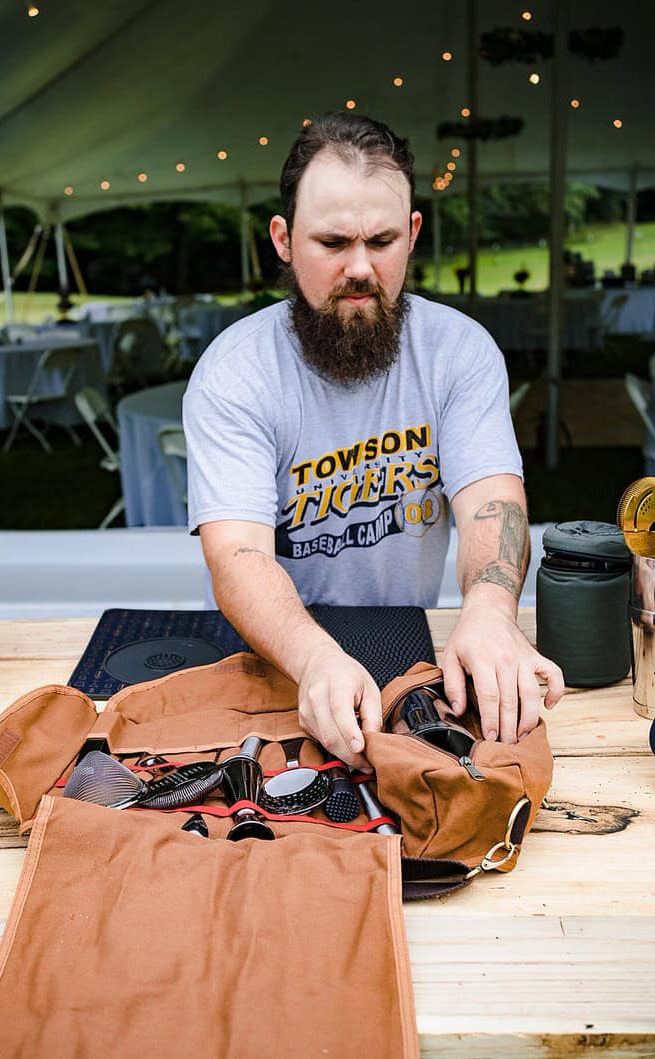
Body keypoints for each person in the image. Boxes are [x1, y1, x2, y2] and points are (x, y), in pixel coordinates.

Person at [183, 112, 563, 769]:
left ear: (412, 234)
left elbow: (490, 504)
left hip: (411, 646)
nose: (361, 268)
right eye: (332, 243)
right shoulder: (235, 370)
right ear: (283, 238)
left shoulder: (460, 351)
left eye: (382, 240)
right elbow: (238, 553)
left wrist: (491, 611)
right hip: (276, 655)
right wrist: (315, 658)